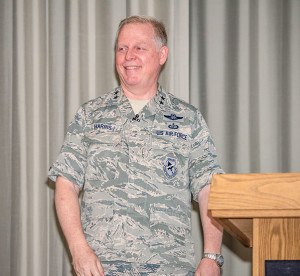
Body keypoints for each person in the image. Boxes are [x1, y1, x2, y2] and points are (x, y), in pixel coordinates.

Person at [49, 15, 224, 276]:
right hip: (101, 269)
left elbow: (210, 189)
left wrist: (212, 257)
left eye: (139, 48)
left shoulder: (188, 119)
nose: (128, 56)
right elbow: (66, 184)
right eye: (122, 48)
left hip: (170, 269)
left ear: (161, 54)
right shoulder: (90, 115)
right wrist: (78, 249)